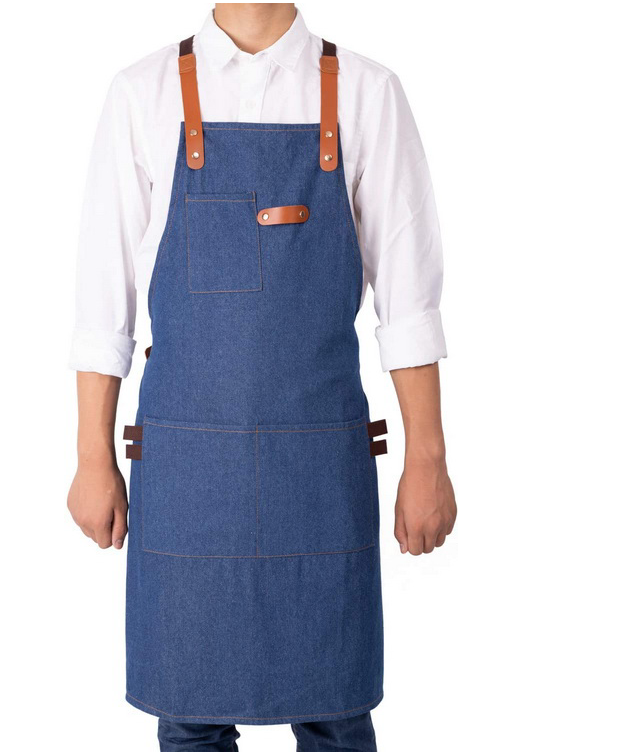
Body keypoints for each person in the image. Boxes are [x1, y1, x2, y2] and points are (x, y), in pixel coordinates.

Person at [67, 4, 456, 751]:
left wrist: (428, 459)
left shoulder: (368, 90)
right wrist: (92, 458)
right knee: (189, 714)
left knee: (336, 711)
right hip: (190, 470)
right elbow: (101, 300)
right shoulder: (141, 91)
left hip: (319, 467)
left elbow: (409, 302)